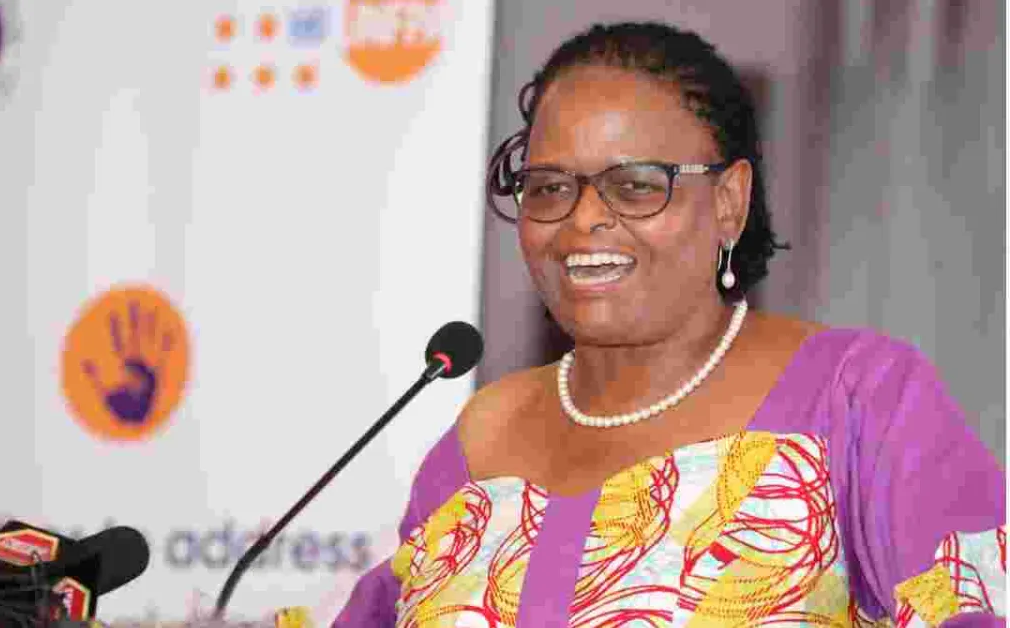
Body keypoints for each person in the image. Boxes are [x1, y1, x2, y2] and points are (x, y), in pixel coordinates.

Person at [330, 21, 1006, 628]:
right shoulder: (479, 440)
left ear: (729, 202)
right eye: (549, 187)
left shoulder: (856, 398)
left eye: (635, 185)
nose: (583, 219)